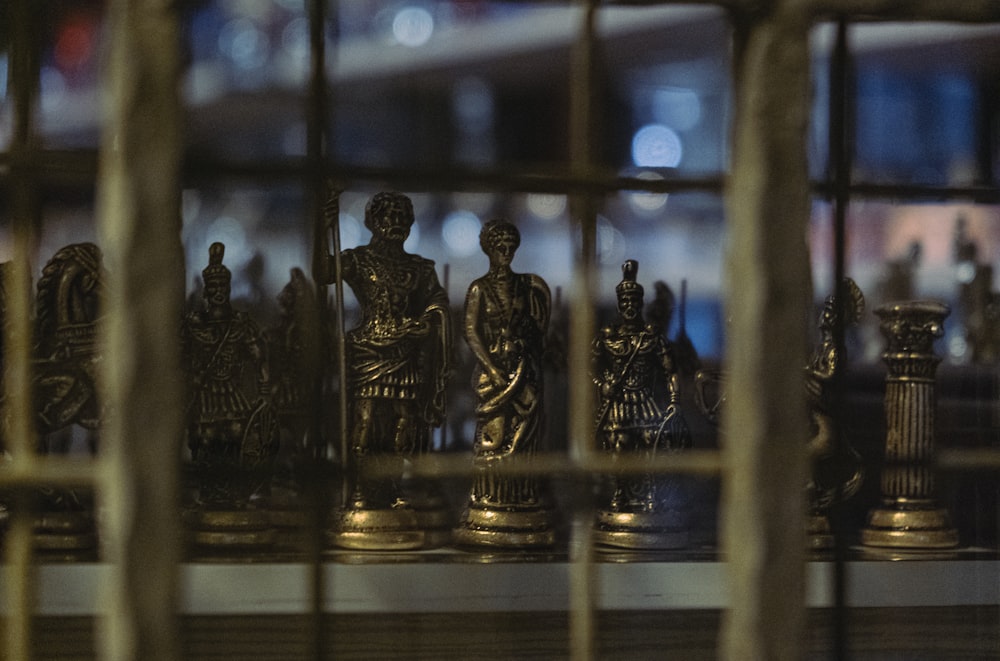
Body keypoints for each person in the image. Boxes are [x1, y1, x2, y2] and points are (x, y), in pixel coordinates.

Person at [328, 192, 451, 518]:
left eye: (402, 218)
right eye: (388, 217)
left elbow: (437, 301)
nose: (395, 224)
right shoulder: (358, 260)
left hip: (405, 354)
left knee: (404, 424)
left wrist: (427, 322)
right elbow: (324, 271)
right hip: (369, 351)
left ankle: (392, 490)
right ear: (373, 221)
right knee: (365, 423)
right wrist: (323, 225)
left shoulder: (419, 269)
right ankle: (359, 489)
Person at [454, 219, 553, 547]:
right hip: (493, 375)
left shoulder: (528, 285)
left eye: (511, 246)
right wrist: (493, 370)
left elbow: (539, 329)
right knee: (492, 439)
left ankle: (523, 496)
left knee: (525, 437)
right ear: (487, 248)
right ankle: (489, 499)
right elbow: (471, 332)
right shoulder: (479, 288)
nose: (505, 252)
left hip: (524, 369)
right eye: (499, 246)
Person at [592, 260, 691, 547]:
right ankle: (621, 494)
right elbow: (590, 367)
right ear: (619, 304)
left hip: (646, 402)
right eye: (625, 301)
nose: (630, 306)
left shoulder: (651, 338)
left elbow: (670, 370)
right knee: (621, 446)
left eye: (634, 300)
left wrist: (674, 400)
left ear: (641, 303)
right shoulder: (608, 337)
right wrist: (603, 385)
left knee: (651, 443)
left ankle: (649, 496)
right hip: (620, 403)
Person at [182, 242, 276, 508]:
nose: (218, 292)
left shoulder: (240, 325)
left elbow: (259, 357)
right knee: (205, 441)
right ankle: (210, 491)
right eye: (213, 288)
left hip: (232, 393)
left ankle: (234, 490)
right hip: (204, 394)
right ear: (206, 292)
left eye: (223, 287)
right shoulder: (193, 325)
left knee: (236, 437)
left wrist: (264, 392)